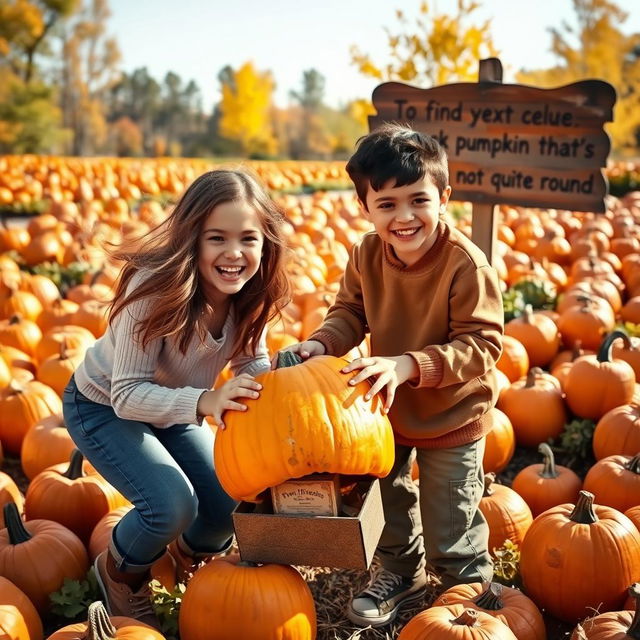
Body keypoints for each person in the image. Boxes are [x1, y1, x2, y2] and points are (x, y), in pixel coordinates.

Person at [276, 123, 503, 627]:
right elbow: (349, 314)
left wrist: (408, 365)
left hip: (451, 410)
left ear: (443, 197)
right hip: (385, 406)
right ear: (367, 208)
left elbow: (482, 344)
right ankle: (402, 573)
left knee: (450, 514)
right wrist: (321, 343)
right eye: (387, 205)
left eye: (418, 200)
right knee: (392, 499)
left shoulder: (467, 265)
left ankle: (467, 585)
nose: (404, 217)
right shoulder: (366, 255)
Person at [62, 169, 290, 627]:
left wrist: (290, 379)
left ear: (265, 243)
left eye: (248, 238)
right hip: (103, 406)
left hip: (178, 404)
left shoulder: (251, 294)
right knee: (171, 504)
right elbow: (127, 395)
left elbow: (250, 363)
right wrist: (206, 401)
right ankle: (122, 572)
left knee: (229, 505)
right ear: (191, 239)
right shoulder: (151, 289)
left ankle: (184, 558)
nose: (234, 253)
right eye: (216, 239)